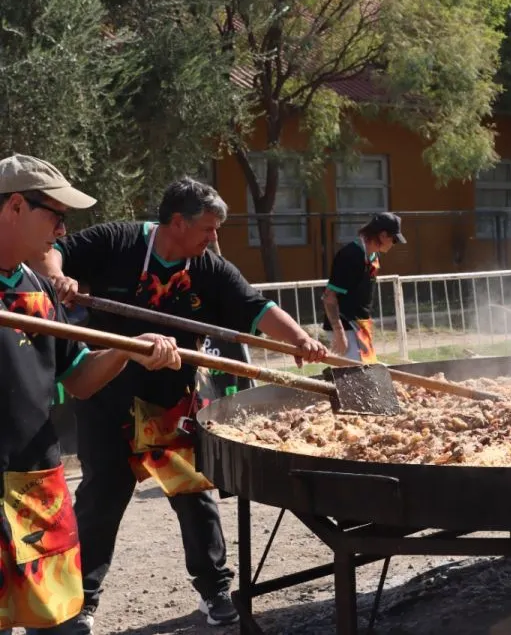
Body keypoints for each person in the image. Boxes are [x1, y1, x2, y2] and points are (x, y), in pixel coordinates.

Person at [32, 178, 328, 630]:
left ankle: (215, 590)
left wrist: (299, 339)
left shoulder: (209, 268)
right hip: (106, 396)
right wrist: (57, 276)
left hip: (172, 403)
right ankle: (82, 600)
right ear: (177, 222)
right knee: (102, 496)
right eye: (208, 228)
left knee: (194, 495)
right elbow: (55, 252)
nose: (214, 238)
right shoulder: (118, 241)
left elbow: (255, 307)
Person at [0, 154, 180, 635]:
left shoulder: (38, 289)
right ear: (15, 206)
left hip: (36, 483)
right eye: (55, 216)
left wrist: (127, 350)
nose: (62, 232)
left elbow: (77, 377)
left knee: (60, 622)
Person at [321, 212, 405, 362]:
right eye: (394, 239)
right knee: (356, 371)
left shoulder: (374, 256)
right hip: (345, 326)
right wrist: (339, 332)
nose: (394, 244)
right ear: (383, 235)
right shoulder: (350, 255)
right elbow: (329, 297)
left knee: (368, 367)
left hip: (361, 324)